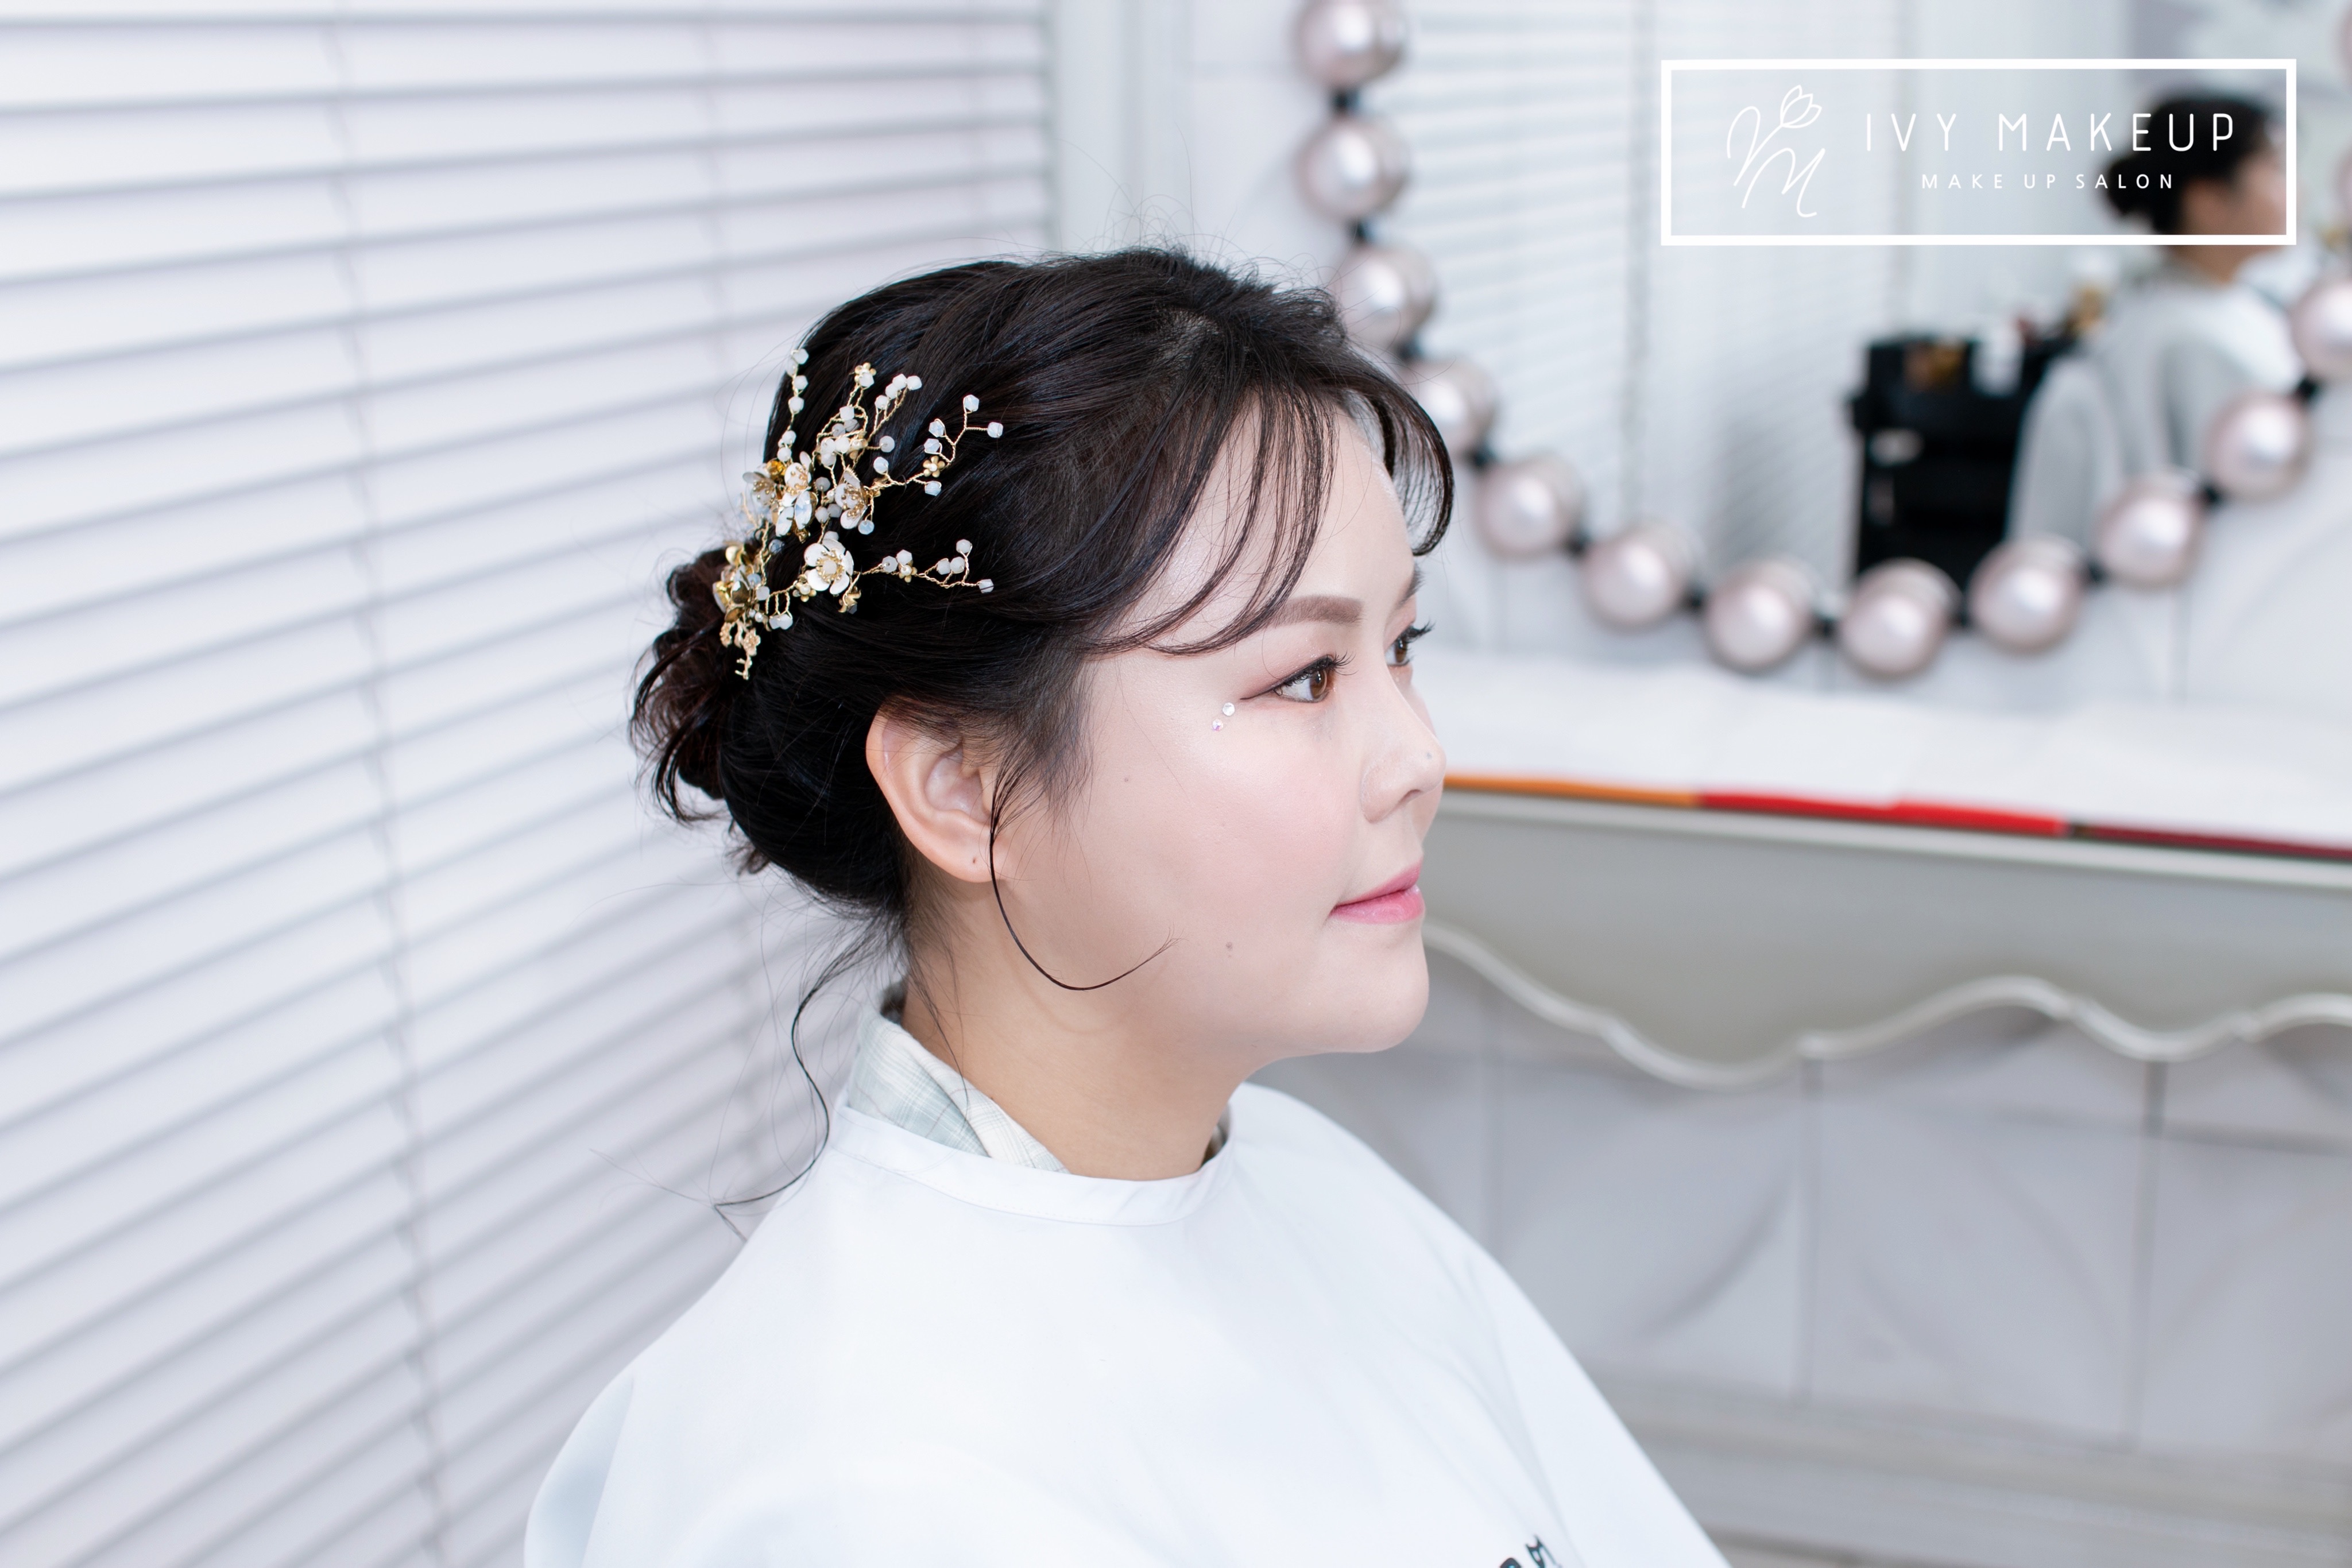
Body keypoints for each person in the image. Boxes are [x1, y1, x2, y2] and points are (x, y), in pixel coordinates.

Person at [522, 250, 1726, 1567]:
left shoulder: (1307, 1182)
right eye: (1304, 678)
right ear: (967, 788)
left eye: (1400, 649)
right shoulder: (860, 1494)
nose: (1418, 759)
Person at [2010, 95, 2299, 544]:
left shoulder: (2214, 311)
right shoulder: (2190, 342)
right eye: (2276, 170)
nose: (2294, 192)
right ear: (2207, 200)